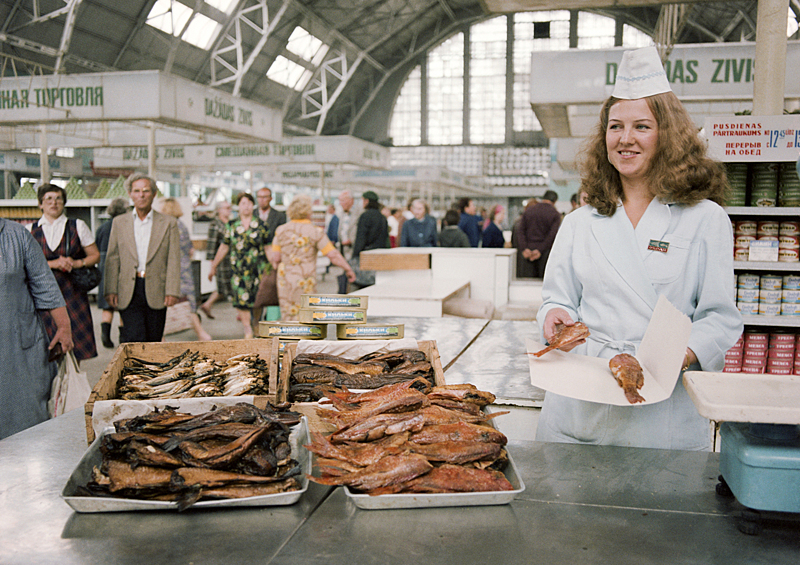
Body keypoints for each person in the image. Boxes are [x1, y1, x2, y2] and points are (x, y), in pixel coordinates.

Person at [535, 46, 743, 451]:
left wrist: (674, 357)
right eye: (615, 127)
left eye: (642, 127)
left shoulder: (705, 219)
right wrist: (554, 316)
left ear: (667, 135)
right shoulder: (580, 222)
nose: (625, 139)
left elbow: (720, 319)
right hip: (582, 395)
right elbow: (556, 300)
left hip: (659, 406)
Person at [0, 219, 73, 439]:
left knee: (25, 414)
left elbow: (43, 281)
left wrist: (64, 326)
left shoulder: (16, 235)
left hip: (16, 342)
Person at [105, 173, 181, 343]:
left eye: (146, 191)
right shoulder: (119, 222)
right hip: (128, 288)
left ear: (154, 194)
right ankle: (134, 370)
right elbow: (112, 258)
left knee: (154, 339)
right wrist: (110, 288)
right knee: (134, 338)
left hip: (157, 289)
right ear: (130, 194)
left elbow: (174, 259)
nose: (141, 195)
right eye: (137, 191)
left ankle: (151, 369)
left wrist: (172, 290)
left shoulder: (168, 223)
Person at [28, 183, 99, 362]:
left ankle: (71, 384)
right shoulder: (30, 230)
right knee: (46, 344)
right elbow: (25, 263)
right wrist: (53, 263)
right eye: (49, 199)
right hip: (42, 295)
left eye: (58, 198)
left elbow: (95, 256)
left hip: (72, 292)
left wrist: (76, 263)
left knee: (75, 346)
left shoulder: (77, 226)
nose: (54, 203)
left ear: (64, 202)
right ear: (40, 204)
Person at [269, 195, 356, 320]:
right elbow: (333, 255)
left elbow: (276, 258)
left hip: (285, 279)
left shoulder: (281, 230)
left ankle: (289, 338)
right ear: (308, 212)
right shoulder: (315, 231)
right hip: (305, 278)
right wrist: (348, 269)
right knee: (305, 314)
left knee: (288, 313)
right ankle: (304, 338)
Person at [208, 192, 271, 339]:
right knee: (241, 301)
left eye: (249, 203)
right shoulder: (232, 225)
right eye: (243, 203)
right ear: (239, 206)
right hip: (238, 270)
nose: (246, 206)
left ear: (253, 205)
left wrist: (274, 266)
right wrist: (213, 265)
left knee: (257, 300)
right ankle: (247, 328)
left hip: (258, 270)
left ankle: (256, 323)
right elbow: (224, 247)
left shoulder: (261, 225)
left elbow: (268, 247)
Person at [160, 198, 212, 342]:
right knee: (187, 302)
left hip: (170, 270)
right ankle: (202, 334)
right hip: (185, 268)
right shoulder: (181, 225)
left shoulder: (165, 226)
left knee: (164, 303)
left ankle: (161, 337)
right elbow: (190, 250)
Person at [95, 197, 129, 349]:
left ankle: (105, 336)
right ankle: (123, 336)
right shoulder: (125, 226)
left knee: (106, 305)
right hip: (122, 266)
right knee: (123, 304)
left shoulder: (102, 228)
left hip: (104, 267)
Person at [516, 190, 561, 278]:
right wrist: (539, 250)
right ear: (555, 201)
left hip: (527, 254)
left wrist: (524, 248)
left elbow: (520, 231)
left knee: (527, 285)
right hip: (544, 254)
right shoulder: (555, 214)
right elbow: (552, 236)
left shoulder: (529, 210)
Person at [200, 200, 233, 319]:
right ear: (218, 209)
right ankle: (207, 304)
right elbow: (211, 245)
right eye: (225, 208)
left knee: (224, 287)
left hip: (231, 260)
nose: (228, 210)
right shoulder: (215, 224)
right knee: (224, 287)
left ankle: (207, 305)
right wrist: (212, 265)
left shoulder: (230, 223)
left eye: (229, 208)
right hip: (221, 262)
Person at [350, 190, 390, 289]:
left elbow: (361, 238)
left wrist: (354, 256)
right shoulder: (382, 218)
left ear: (367, 201)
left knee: (361, 288)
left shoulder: (365, 216)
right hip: (379, 257)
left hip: (365, 257)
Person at [336, 190, 360, 293]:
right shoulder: (342, 214)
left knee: (354, 280)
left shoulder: (359, 213)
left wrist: (352, 241)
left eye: (343, 200)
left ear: (351, 200)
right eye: (340, 201)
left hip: (354, 251)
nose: (341, 203)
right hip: (344, 251)